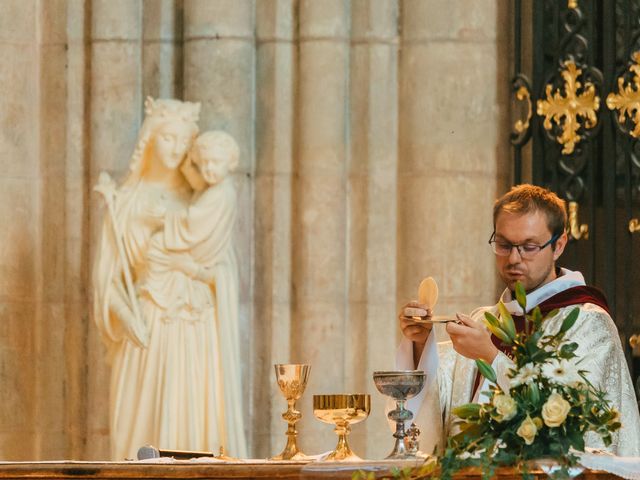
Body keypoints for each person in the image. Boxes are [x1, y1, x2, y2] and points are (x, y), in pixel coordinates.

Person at [397, 184, 640, 456]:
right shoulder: (486, 321)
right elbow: (444, 409)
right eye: (503, 245)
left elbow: (571, 423)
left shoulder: (587, 322)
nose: (514, 258)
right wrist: (420, 346)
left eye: (529, 246)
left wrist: (491, 356)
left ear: (558, 245)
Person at [93, 98, 246, 460]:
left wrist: (199, 272)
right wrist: (125, 315)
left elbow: (224, 266)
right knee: (141, 429)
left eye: (183, 141)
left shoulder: (204, 197)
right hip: (149, 325)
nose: (176, 149)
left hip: (197, 330)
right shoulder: (124, 202)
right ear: (149, 140)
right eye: (167, 139)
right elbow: (108, 280)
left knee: (195, 427)